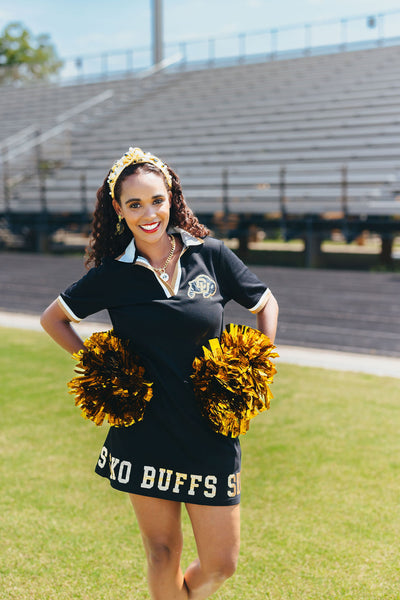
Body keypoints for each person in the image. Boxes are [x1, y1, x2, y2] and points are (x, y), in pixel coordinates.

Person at [40, 146, 279, 600]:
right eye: (135, 204)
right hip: (144, 428)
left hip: (210, 429)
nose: (148, 214)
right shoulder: (112, 274)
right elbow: (54, 319)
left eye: (156, 200)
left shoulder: (210, 255)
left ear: (172, 198)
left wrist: (259, 363)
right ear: (119, 210)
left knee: (221, 562)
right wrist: (99, 364)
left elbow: (265, 303)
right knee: (162, 551)